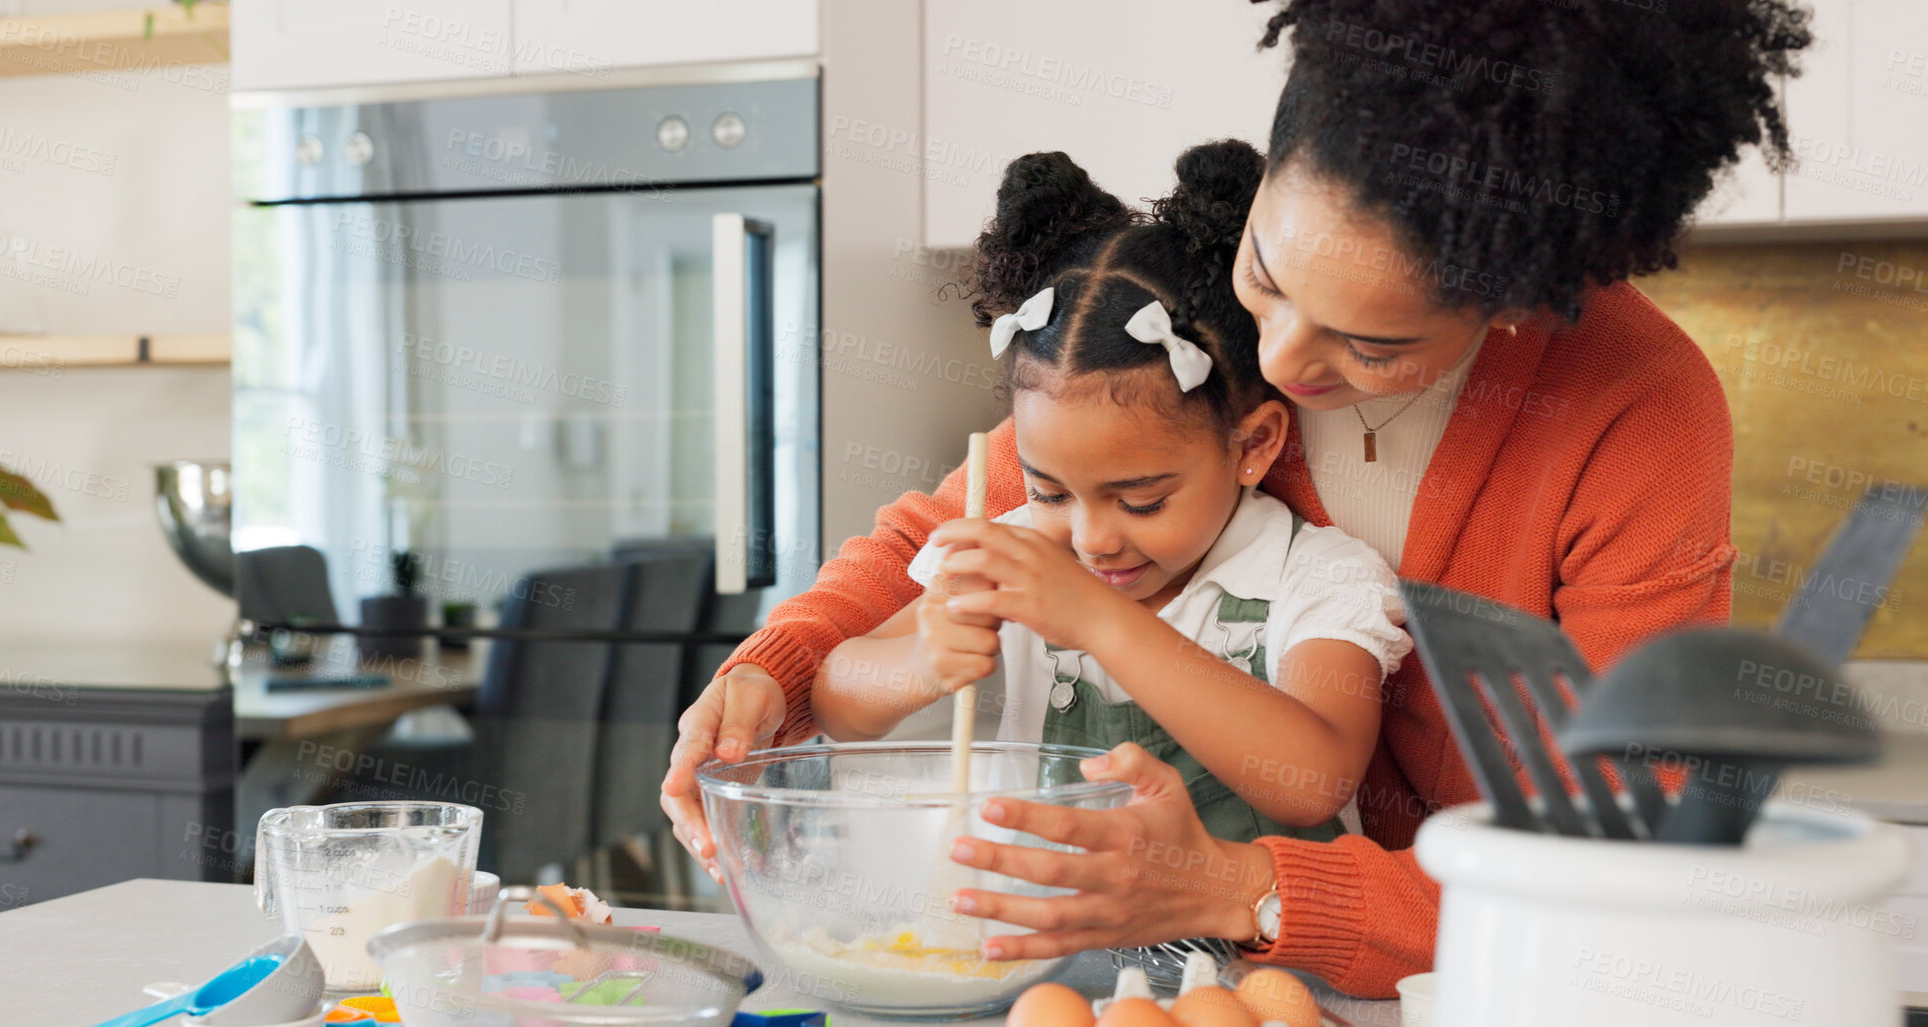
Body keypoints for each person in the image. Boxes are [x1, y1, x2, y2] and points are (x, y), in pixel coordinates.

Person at [663, 0, 1804, 998]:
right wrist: (775, 669)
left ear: (1515, 305)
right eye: (1268, 272)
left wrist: (1232, 884)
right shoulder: (1197, 341)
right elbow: (949, 529)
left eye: (1372, 341)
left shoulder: (1635, 413)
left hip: (1476, 973)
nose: (1287, 359)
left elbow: (1627, 848)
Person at [812, 143, 1412, 845]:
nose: (1091, 538)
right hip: (1051, 946)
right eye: (1049, 491)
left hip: (1250, 952)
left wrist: (1098, 620)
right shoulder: (1009, 555)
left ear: (1252, 446)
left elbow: (1313, 781)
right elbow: (836, 702)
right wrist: (918, 663)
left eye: (1140, 500)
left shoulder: (1315, 576)